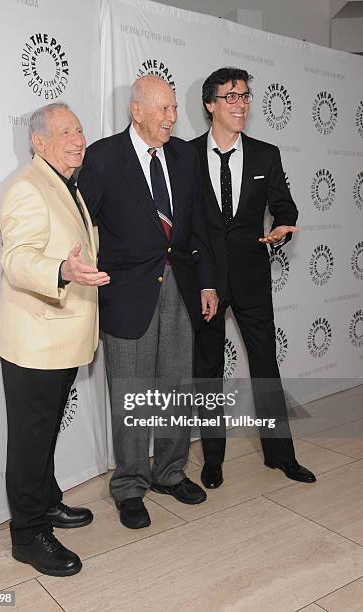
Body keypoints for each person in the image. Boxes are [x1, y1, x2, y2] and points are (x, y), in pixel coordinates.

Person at [78, 75, 218, 530]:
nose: (172, 118)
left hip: (180, 287)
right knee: (133, 394)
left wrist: (207, 283)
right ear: (137, 111)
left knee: (176, 384)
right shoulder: (102, 157)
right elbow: (81, 225)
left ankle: (170, 472)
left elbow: (198, 224)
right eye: (163, 109)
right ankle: (130, 485)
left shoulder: (182, 156)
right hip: (126, 294)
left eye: (175, 109)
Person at [191, 67, 316, 489]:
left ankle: (280, 455)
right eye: (231, 97)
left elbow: (287, 207)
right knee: (208, 370)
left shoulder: (266, 154)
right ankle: (212, 459)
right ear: (210, 104)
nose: (241, 103)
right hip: (205, 280)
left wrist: (283, 225)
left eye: (245, 96)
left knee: (265, 366)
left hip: (252, 277)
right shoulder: (186, 156)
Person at [0, 102, 110, 576]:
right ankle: (27, 536)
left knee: (42, 438)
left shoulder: (66, 185)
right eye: (65, 131)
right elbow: (17, 259)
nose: (77, 139)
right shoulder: (28, 187)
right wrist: (61, 270)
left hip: (60, 339)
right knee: (29, 443)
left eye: (80, 130)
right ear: (38, 142)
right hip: (36, 343)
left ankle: (46, 504)